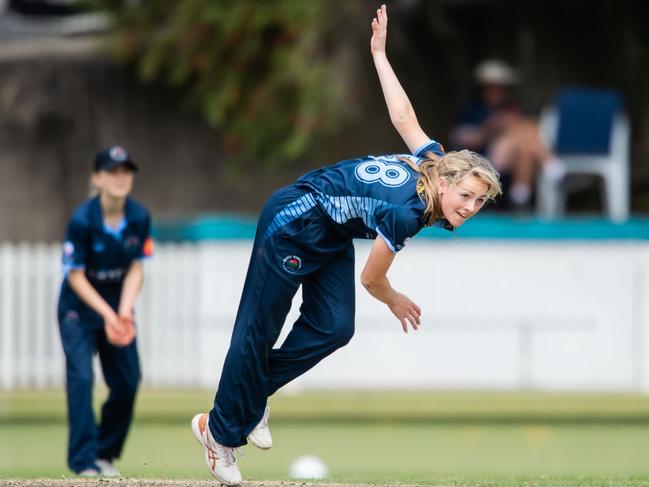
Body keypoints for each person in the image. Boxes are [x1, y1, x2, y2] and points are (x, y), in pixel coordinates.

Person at [190, 5, 502, 485]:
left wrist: (379, 53)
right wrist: (395, 298)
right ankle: (219, 433)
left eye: (479, 201)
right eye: (466, 196)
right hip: (295, 219)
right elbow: (372, 277)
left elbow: (403, 115)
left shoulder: (436, 161)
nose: (470, 206)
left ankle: (247, 401)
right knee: (258, 329)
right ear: (446, 184)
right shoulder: (408, 212)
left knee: (334, 326)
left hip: (332, 232)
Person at [57, 145, 153, 477]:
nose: (120, 178)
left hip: (117, 307)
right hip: (78, 311)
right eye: (112, 172)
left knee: (127, 380)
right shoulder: (82, 221)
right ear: (97, 178)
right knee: (82, 379)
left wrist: (123, 311)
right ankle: (83, 462)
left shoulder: (139, 217)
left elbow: (136, 269)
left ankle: (105, 454)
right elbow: (76, 276)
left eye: (126, 171)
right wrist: (108, 315)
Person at [450, 59, 561, 210]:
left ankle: (520, 194)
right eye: (493, 87)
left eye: (501, 87)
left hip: (514, 156)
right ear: (484, 88)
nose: (498, 91)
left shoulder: (511, 107)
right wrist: (490, 127)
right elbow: (462, 138)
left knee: (524, 140)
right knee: (523, 128)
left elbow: (526, 132)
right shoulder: (472, 110)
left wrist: (507, 123)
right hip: (485, 160)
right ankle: (549, 162)